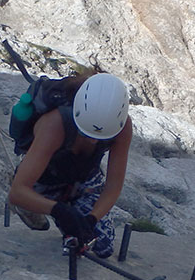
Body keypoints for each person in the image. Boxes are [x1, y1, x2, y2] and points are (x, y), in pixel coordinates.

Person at [8, 72, 132, 258]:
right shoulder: (55, 124)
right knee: (28, 199)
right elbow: (18, 191)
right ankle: (31, 205)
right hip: (45, 179)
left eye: (99, 137)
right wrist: (59, 210)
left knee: (102, 247)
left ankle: (66, 210)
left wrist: (91, 219)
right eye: (86, 133)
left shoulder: (121, 127)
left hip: (83, 177)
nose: (92, 141)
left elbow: (113, 186)